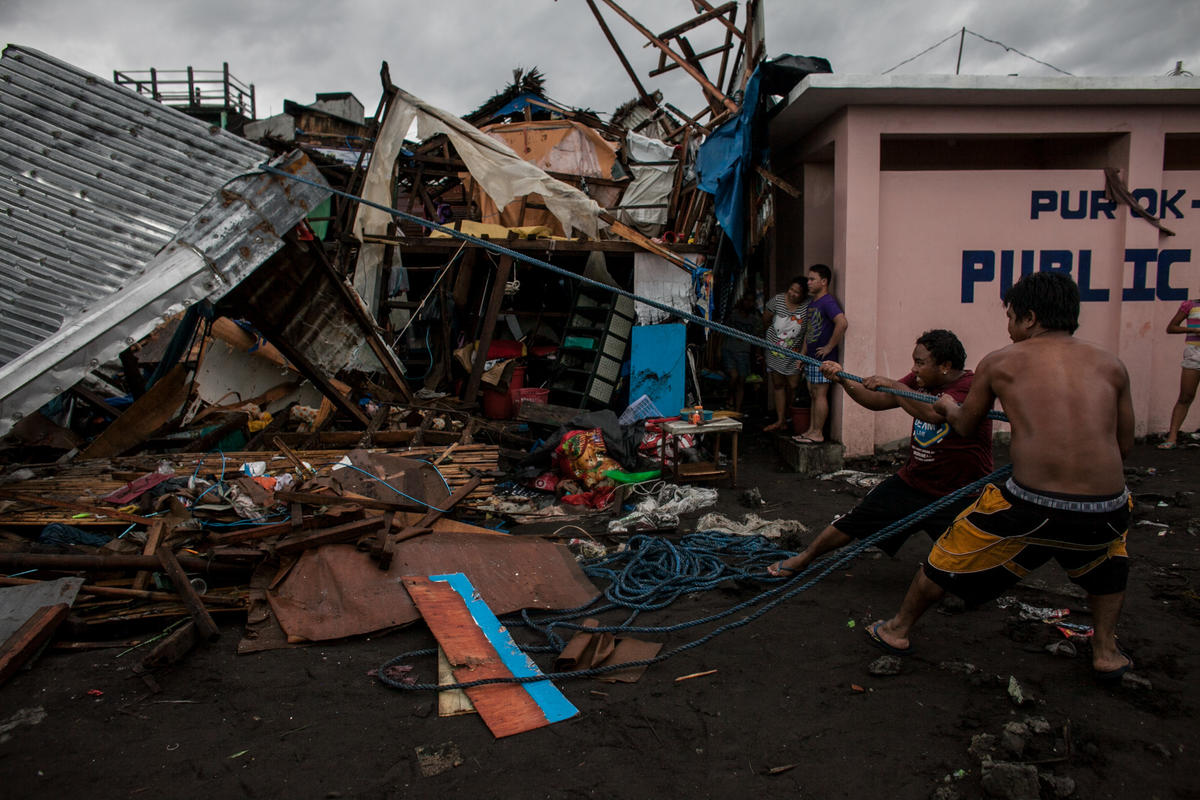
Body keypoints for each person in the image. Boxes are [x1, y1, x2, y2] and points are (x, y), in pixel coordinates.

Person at [869, 272, 1135, 682]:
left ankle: (896, 629)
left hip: (1033, 503)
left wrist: (944, 405)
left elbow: (964, 424)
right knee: (1109, 560)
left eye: (1010, 317)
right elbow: (1125, 443)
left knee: (947, 553)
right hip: (1108, 507)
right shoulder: (1111, 364)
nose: (1008, 327)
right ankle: (1106, 651)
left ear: (1029, 319)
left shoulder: (1001, 361)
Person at [767, 330, 992, 577]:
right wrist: (842, 379)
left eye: (920, 363)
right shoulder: (920, 382)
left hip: (961, 492)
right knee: (855, 519)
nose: (914, 369)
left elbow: (932, 413)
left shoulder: (970, 388)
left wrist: (894, 385)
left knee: (965, 564)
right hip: (915, 481)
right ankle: (803, 559)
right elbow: (875, 400)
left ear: (946, 366)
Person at [795, 264, 847, 443]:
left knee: (820, 394)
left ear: (823, 282)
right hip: (810, 357)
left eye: (812, 279)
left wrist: (829, 347)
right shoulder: (813, 303)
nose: (808, 283)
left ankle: (818, 433)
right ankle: (811, 430)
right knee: (813, 394)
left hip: (823, 359)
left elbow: (842, 323)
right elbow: (809, 332)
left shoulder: (828, 302)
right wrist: (802, 355)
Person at [762, 277, 810, 432]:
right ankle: (780, 420)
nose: (793, 294)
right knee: (778, 385)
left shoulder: (808, 305)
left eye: (797, 292)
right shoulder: (777, 300)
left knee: (794, 385)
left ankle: (791, 417)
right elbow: (766, 319)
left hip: (795, 354)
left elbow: (808, 331)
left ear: (804, 295)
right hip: (774, 351)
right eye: (791, 289)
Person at [1157, 296, 1200, 449]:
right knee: (1186, 396)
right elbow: (1171, 327)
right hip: (1194, 352)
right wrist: (1193, 329)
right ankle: (1172, 437)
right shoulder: (1190, 305)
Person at [721, 294, 761, 414]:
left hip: (744, 352)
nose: (748, 304)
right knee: (734, 376)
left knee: (741, 382)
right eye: (746, 300)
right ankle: (729, 398)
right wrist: (717, 351)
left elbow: (758, 338)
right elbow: (722, 333)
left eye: (751, 301)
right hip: (729, 350)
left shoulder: (754, 320)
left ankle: (737, 411)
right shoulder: (733, 315)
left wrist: (758, 354)